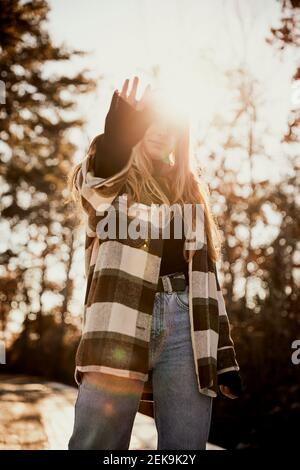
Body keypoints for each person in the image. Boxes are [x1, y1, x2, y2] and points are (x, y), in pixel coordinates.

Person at [67, 76, 243, 450]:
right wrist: (116, 139)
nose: (161, 133)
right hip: (120, 319)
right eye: (151, 122)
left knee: (185, 448)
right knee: (97, 442)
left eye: (170, 126)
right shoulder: (116, 179)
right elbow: (95, 188)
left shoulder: (189, 189)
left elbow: (207, 280)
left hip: (188, 328)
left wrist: (224, 356)